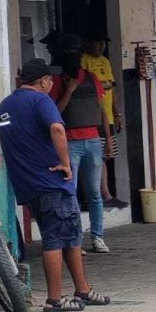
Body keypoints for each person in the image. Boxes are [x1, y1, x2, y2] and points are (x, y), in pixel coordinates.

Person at [0, 59, 110, 312]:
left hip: (28, 184)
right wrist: (66, 164)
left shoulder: (6, 105)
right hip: (51, 181)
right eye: (50, 79)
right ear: (42, 81)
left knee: (71, 236)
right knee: (55, 239)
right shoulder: (41, 100)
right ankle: (55, 298)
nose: (52, 83)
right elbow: (58, 129)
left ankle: (83, 290)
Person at [48, 34, 113, 254]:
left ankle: (97, 237)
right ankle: (75, 239)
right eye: (70, 53)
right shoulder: (57, 81)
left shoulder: (92, 78)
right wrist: (70, 90)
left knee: (95, 193)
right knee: (71, 192)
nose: (74, 57)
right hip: (70, 142)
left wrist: (108, 138)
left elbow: (102, 109)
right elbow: (55, 112)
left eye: (76, 53)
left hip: (93, 140)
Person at [81, 27, 127, 210]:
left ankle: (105, 194)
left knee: (106, 156)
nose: (100, 46)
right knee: (93, 157)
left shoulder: (105, 62)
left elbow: (112, 89)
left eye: (103, 43)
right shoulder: (85, 62)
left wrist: (117, 113)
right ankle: (92, 196)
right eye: (97, 42)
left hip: (107, 116)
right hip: (94, 117)